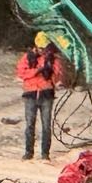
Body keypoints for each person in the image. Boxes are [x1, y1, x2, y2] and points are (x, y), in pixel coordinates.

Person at [15, 32, 62, 161]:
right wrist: (37, 71)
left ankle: (45, 153)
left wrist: (50, 70)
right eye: (40, 48)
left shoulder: (53, 59)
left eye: (44, 48)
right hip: (30, 95)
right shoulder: (27, 57)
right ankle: (28, 152)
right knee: (30, 124)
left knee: (46, 125)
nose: (42, 50)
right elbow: (21, 73)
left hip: (46, 95)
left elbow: (58, 76)